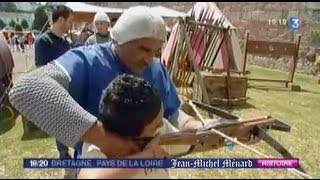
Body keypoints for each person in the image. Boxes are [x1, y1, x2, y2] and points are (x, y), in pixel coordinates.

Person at [8, 6, 258, 164]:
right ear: (119, 40)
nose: (149, 58)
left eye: (155, 50)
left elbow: (173, 113)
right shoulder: (86, 59)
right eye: (142, 48)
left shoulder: (155, 68)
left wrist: (207, 129)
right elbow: (27, 89)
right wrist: (103, 138)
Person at [78, 74, 190, 179]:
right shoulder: (98, 145)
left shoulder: (159, 129)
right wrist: (148, 155)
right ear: (129, 135)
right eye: (155, 125)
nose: (161, 125)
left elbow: (189, 143)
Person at [33, 4, 74, 160]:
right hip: (54, 91)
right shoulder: (43, 41)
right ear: (61, 19)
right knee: (60, 125)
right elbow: (41, 70)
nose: (71, 26)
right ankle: (64, 155)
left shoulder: (65, 42)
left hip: (69, 88)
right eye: (70, 22)